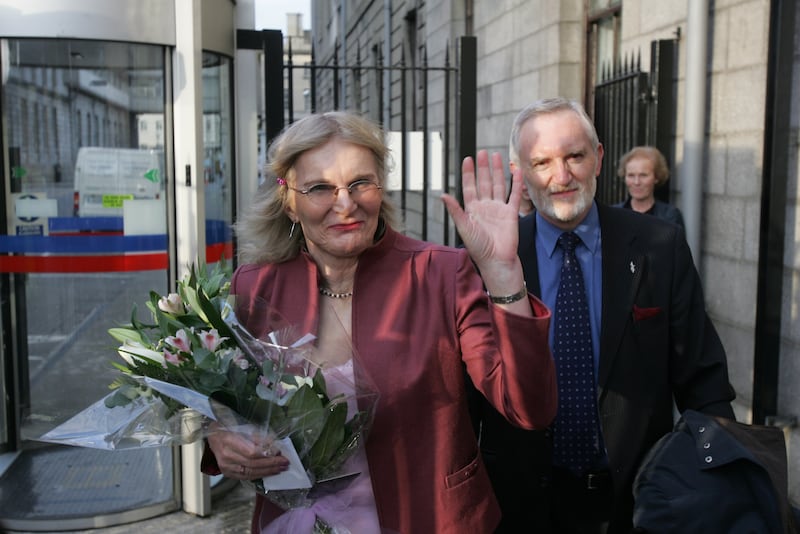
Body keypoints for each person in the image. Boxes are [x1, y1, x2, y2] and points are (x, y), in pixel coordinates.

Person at [200, 111, 558, 534]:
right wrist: (217, 434)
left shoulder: (441, 273)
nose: (346, 204)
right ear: (289, 202)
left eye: (360, 183)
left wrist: (503, 276)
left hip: (429, 520)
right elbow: (223, 398)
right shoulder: (255, 285)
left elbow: (529, 409)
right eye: (319, 188)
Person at [467, 97, 736, 533]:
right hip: (519, 506)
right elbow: (464, 400)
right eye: (542, 162)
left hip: (638, 503)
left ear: (599, 157)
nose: (562, 176)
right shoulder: (488, 258)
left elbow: (703, 381)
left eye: (575, 155)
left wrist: (721, 479)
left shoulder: (659, 247)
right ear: (520, 173)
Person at [614, 146, 685, 229]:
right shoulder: (614, 214)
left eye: (643, 175)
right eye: (631, 175)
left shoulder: (670, 216)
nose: (636, 182)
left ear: (656, 177)